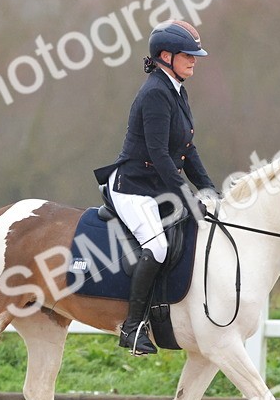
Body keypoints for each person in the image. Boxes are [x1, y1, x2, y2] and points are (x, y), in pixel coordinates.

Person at [93, 20, 219, 355]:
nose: (194, 60)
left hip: (156, 187)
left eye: (195, 54)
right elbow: (160, 155)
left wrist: (208, 189)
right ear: (166, 56)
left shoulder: (177, 91)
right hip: (132, 188)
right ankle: (132, 328)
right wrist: (188, 197)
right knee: (158, 247)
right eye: (188, 55)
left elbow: (186, 150)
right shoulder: (154, 94)